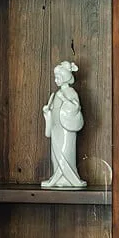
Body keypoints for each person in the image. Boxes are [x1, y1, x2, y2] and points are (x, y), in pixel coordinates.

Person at [41, 60, 86, 189]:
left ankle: (70, 179)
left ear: (65, 78)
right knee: (56, 154)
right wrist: (47, 113)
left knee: (66, 153)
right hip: (57, 129)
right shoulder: (55, 95)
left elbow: (75, 107)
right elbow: (52, 111)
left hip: (67, 129)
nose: (56, 80)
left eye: (58, 77)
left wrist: (64, 99)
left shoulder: (71, 93)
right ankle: (57, 176)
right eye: (55, 78)